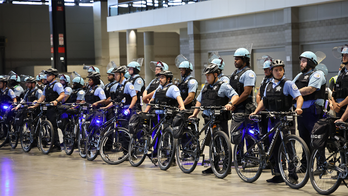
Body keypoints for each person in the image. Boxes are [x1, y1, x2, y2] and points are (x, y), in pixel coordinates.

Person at [250, 59, 303, 183]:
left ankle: (292, 175)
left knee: (289, 148)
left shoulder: (288, 84)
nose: (278, 72)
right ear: (272, 71)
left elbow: (299, 97)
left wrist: (299, 108)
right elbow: (264, 101)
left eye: (280, 70)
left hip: (285, 120)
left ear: (283, 71)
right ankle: (278, 173)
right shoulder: (268, 85)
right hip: (272, 120)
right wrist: (256, 111)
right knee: (273, 146)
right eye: (276, 70)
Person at [189, 63, 239, 174]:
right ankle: (214, 166)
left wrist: (230, 103)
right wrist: (195, 113)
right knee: (212, 143)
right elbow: (199, 100)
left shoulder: (224, 85)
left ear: (216, 74)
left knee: (224, 143)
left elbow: (235, 96)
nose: (206, 78)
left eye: (209, 75)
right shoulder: (205, 87)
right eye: (206, 75)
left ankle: (226, 167)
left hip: (220, 118)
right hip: (208, 118)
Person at [293, 51, 326, 169]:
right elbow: (291, 86)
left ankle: (321, 165)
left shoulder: (318, 74)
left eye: (304, 61)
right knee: (304, 140)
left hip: (313, 112)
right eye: (301, 61)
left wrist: (294, 92)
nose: (301, 64)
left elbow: (310, 89)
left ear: (311, 62)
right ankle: (306, 165)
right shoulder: (299, 76)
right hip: (302, 112)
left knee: (316, 139)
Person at [29, 68, 65, 152]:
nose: (46, 77)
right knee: (48, 126)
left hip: (54, 108)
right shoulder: (47, 86)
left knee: (53, 126)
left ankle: (57, 145)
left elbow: (62, 95)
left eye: (48, 75)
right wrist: (35, 106)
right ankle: (48, 141)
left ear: (53, 76)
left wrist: (56, 101)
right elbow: (42, 97)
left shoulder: (57, 85)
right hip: (48, 107)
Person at [229, 48, 256, 113]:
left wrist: (235, 104)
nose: (235, 61)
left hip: (244, 109)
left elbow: (246, 93)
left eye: (237, 59)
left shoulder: (249, 73)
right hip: (235, 108)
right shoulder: (234, 73)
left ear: (245, 60)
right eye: (235, 59)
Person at [332, 45, 348, 117]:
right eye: (343, 55)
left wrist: (339, 105)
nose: (344, 57)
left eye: (346, 55)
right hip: (338, 108)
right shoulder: (341, 71)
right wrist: (334, 104)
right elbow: (334, 89)